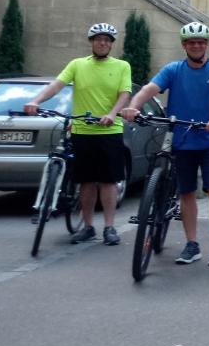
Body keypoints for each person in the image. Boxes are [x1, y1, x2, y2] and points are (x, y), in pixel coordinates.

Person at [121, 22, 209, 266]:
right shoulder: (173, 69)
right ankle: (192, 244)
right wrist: (133, 107)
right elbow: (149, 89)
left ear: (206, 44)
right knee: (186, 192)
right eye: (192, 42)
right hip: (182, 140)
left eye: (200, 42)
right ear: (184, 45)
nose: (196, 46)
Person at [24, 23, 131, 246]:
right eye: (98, 39)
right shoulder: (77, 64)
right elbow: (57, 85)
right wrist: (36, 100)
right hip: (82, 130)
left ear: (111, 44)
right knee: (86, 181)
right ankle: (88, 227)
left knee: (108, 181)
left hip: (110, 130)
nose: (103, 43)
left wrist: (112, 114)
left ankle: (109, 227)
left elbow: (124, 94)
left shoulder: (122, 66)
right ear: (91, 41)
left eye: (107, 40)